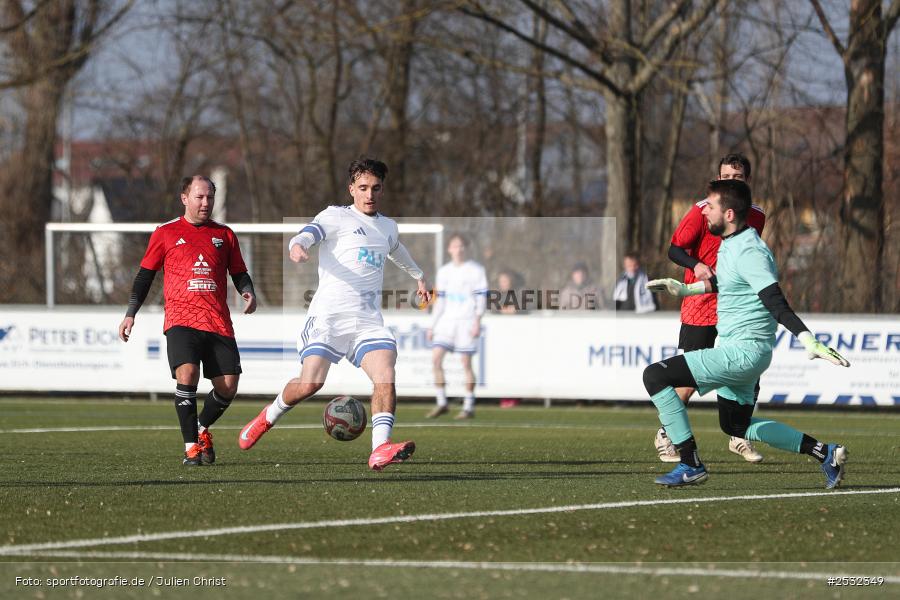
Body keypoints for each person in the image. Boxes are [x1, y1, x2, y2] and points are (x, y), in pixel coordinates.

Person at [644, 179, 850, 488]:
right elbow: (725, 282)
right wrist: (684, 289)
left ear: (728, 214)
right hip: (742, 352)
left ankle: (689, 463)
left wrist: (809, 339)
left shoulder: (750, 251)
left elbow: (775, 301)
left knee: (655, 376)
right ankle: (825, 453)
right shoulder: (732, 243)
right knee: (735, 426)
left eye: (710, 207)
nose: (705, 213)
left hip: (742, 353)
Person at [237, 158, 431, 471]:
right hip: (328, 318)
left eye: (376, 188)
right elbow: (309, 233)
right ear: (351, 189)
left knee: (386, 375)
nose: (370, 194)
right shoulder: (336, 216)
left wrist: (419, 276)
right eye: (363, 187)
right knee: (310, 384)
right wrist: (297, 245)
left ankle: (379, 449)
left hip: (368, 322)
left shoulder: (387, 226)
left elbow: (397, 250)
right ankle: (267, 417)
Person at [118, 175, 257, 466]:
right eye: (199, 197)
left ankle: (201, 429)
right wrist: (131, 312)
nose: (205, 203)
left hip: (217, 320)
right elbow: (145, 275)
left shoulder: (225, 235)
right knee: (188, 375)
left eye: (210, 197)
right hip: (181, 319)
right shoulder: (166, 233)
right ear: (185, 198)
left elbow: (239, 272)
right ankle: (191, 447)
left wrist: (247, 291)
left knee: (228, 386)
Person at [654, 153, 768, 464]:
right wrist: (697, 265)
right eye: (725, 178)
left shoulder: (756, 217)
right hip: (700, 304)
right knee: (688, 379)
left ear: (747, 181)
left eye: (737, 178)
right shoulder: (701, 212)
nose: (731, 182)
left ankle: (738, 435)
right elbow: (674, 249)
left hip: (735, 306)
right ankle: (667, 434)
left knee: (745, 373)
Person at [425, 234, 488, 419]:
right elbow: (440, 301)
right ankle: (442, 402)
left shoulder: (476, 270)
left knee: (466, 363)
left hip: (467, 321)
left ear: (466, 249)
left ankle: (468, 406)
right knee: (436, 359)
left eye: (461, 246)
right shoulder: (444, 271)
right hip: (447, 322)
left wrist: (477, 320)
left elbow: (481, 297)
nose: (458, 249)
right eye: (454, 246)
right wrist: (432, 325)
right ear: (449, 249)